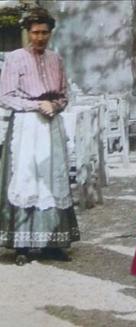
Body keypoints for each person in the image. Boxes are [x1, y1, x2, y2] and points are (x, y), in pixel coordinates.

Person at [0, 8, 79, 265]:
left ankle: (52, 243)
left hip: (51, 124)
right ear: (27, 32)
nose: (40, 38)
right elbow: (5, 96)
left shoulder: (56, 59)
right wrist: (37, 106)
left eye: (45, 32)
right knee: (26, 177)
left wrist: (55, 106)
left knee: (51, 177)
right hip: (26, 125)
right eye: (35, 32)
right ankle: (22, 244)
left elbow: (64, 94)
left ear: (50, 33)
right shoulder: (14, 59)